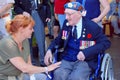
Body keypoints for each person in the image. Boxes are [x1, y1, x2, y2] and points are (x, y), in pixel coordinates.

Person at [44, 2, 111, 80]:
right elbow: (58, 40)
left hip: (85, 61)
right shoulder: (67, 24)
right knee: (58, 75)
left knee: (76, 77)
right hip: (67, 58)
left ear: (79, 14)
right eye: (66, 14)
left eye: (70, 14)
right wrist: (49, 50)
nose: (66, 17)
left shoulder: (91, 26)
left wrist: (86, 53)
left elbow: (105, 42)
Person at [0, 14, 61, 80]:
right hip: (6, 77)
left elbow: (29, 64)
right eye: (30, 28)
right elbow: (24, 68)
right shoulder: (8, 43)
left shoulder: (25, 40)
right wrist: (47, 69)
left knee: (43, 77)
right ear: (21, 29)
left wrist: (32, 77)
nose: (33, 30)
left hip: (19, 76)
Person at [14, 0, 50, 66]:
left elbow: (46, 4)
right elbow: (16, 7)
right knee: (27, 42)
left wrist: (48, 15)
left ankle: (43, 61)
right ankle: (30, 62)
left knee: (41, 40)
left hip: (38, 15)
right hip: (26, 18)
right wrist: (23, 12)